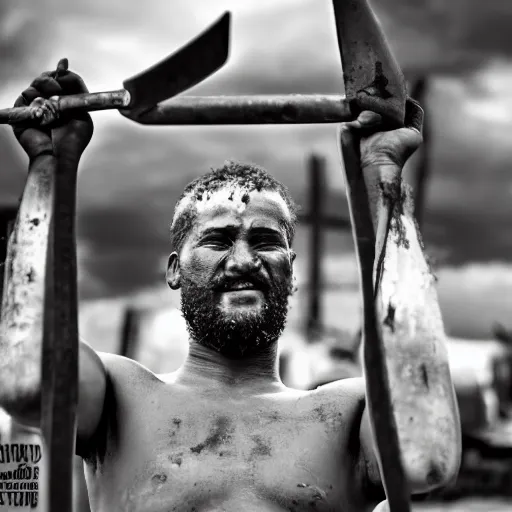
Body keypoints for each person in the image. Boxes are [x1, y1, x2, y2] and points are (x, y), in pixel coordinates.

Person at [0, 60, 461, 512]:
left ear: (292, 271)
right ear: (176, 270)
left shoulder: (348, 413)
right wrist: (49, 168)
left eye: (264, 241)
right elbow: (24, 378)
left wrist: (385, 179)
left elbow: (425, 458)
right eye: (218, 240)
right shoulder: (119, 397)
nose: (243, 261)